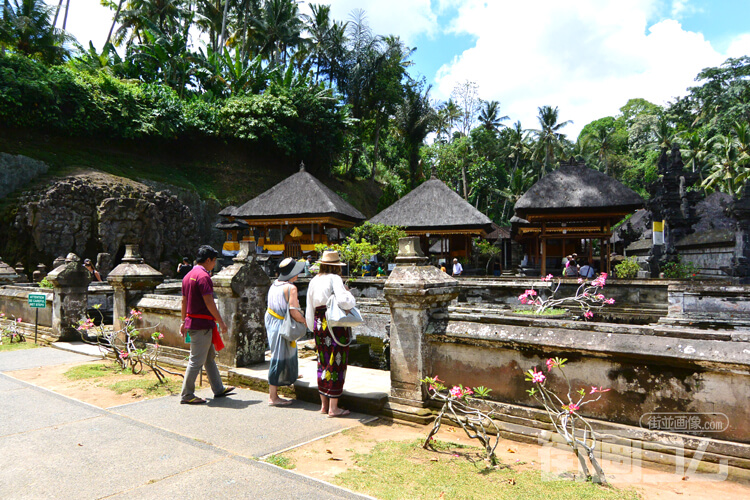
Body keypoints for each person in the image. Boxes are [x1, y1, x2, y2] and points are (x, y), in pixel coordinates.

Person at [179, 245, 235, 405]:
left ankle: (218, 388)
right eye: (214, 261)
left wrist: (182, 321)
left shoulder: (188, 275)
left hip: (194, 322)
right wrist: (221, 321)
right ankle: (187, 394)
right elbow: (209, 302)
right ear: (208, 260)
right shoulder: (203, 277)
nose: (214, 264)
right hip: (201, 324)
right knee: (196, 360)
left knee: (209, 357)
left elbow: (184, 301)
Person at [306, 250, 357, 418]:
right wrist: (349, 293)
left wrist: (312, 326)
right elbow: (344, 300)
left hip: (319, 323)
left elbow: (309, 305)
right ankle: (334, 408)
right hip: (334, 323)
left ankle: (323, 405)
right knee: (337, 361)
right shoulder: (335, 279)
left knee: (322, 361)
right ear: (336, 267)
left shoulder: (314, 280)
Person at [265, 257, 307, 406]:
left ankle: (290, 374)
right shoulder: (291, 288)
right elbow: (294, 312)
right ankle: (273, 396)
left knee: (284, 350)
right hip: (282, 322)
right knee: (278, 355)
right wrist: (305, 321)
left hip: (272, 320)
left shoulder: (274, 284)